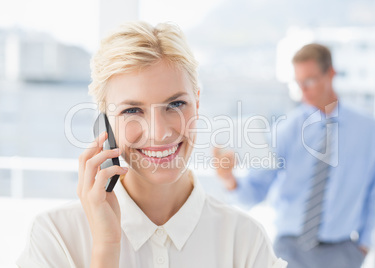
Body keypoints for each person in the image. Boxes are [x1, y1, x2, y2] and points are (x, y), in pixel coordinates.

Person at [16, 21, 287, 268]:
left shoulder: (245, 242)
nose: (159, 132)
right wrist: (106, 250)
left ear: (198, 103)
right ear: (105, 122)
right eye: (132, 110)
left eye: (176, 104)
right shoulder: (56, 237)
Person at [213, 44, 375, 268]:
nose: (303, 90)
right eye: (298, 82)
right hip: (290, 249)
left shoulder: (369, 131)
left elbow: (374, 192)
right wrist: (229, 179)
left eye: (310, 80)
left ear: (331, 74)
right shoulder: (285, 130)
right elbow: (255, 192)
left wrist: (363, 245)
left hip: (343, 252)